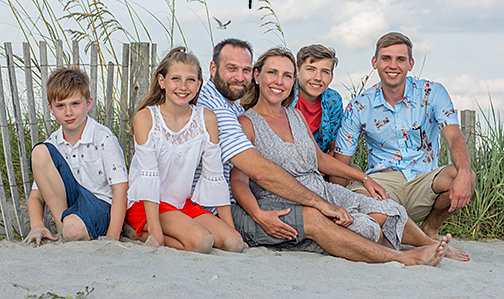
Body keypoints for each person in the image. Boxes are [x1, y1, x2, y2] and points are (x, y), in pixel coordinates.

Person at [197, 38, 451, 266]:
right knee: (364, 226)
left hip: (319, 188)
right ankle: (400, 257)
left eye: (286, 75)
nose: (279, 81)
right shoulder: (245, 122)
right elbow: (240, 179)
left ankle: (426, 244)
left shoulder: (295, 115)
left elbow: (319, 159)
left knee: (386, 208)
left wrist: (363, 178)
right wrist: (257, 213)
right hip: (283, 199)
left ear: (293, 80)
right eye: (272, 73)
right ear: (258, 76)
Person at [334, 32, 476, 241]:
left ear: (410, 63)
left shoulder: (433, 92)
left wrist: (464, 171)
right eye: (386, 58)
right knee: (357, 198)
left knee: (466, 175)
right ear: (375, 62)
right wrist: (337, 205)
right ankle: (419, 241)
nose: (393, 65)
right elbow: (341, 163)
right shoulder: (359, 106)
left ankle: (429, 229)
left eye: (400, 59)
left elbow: (455, 137)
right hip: (381, 185)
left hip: (424, 181)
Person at [125, 47, 244, 253]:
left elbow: (214, 175)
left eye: (190, 80)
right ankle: (136, 231)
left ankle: (178, 231)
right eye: (175, 79)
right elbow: (149, 176)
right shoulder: (146, 118)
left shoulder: (206, 118)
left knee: (233, 244)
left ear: (199, 84)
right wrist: (155, 232)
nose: (183, 86)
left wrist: (230, 230)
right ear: (162, 82)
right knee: (202, 241)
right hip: (147, 204)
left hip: (183, 203)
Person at [23, 67, 128, 247]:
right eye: (60, 106)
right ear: (51, 108)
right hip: (69, 206)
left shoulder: (103, 138)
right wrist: (37, 225)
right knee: (39, 151)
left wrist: (113, 235)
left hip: (99, 204)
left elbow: (120, 189)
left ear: (88, 103)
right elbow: (36, 196)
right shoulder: (52, 144)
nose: (68, 112)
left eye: (75, 104)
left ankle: (72, 230)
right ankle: (66, 227)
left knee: (74, 229)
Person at [289, 44, 345, 185]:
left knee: (352, 170)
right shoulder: (286, 96)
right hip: (287, 168)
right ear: (297, 71)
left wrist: (320, 170)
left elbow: (334, 148)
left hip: (319, 167)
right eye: (311, 69)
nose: (318, 77)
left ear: (331, 77)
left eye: (325, 72)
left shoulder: (333, 100)